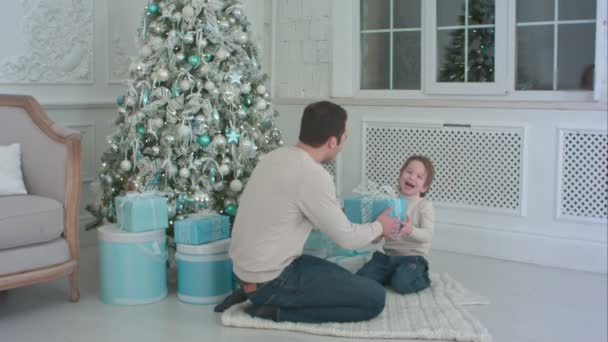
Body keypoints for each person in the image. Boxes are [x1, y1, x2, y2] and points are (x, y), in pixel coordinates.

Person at [215, 100, 404, 323]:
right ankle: (272, 310)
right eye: (344, 136)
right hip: (271, 280)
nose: (344, 142)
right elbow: (347, 239)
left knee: (346, 278)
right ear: (332, 142)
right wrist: (381, 226)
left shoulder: (274, 157)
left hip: (247, 272)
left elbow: (299, 215)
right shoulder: (312, 175)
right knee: (373, 297)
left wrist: (366, 227)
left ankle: (252, 293)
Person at [356, 155, 435, 295]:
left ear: (424, 187)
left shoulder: (424, 206)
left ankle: (422, 276)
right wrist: (379, 232)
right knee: (363, 278)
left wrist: (411, 230)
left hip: (412, 258)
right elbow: (376, 236)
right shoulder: (388, 202)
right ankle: (391, 275)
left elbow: (427, 236)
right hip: (388, 257)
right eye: (409, 172)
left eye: (419, 176)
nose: (412, 177)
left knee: (402, 284)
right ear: (400, 176)